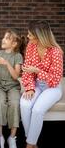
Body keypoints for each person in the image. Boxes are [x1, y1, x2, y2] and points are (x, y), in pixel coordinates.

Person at [20, 20, 63, 148]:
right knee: (24, 104)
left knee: (37, 110)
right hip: (37, 84)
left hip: (52, 87)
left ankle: (29, 144)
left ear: (39, 36)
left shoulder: (55, 52)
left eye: (30, 35)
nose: (27, 37)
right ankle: (33, 141)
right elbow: (27, 71)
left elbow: (55, 79)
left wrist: (38, 71)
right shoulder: (31, 47)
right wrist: (29, 88)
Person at [0, 29, 26, 148]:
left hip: (13, 86)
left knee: (15, 103)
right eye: (4, 37)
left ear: (14, 44)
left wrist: (7, 63)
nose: (3, 39)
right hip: (0, 86)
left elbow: (16, 76)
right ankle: (0, 136)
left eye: (7, 38)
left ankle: (12, 137)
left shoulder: (17, 56)